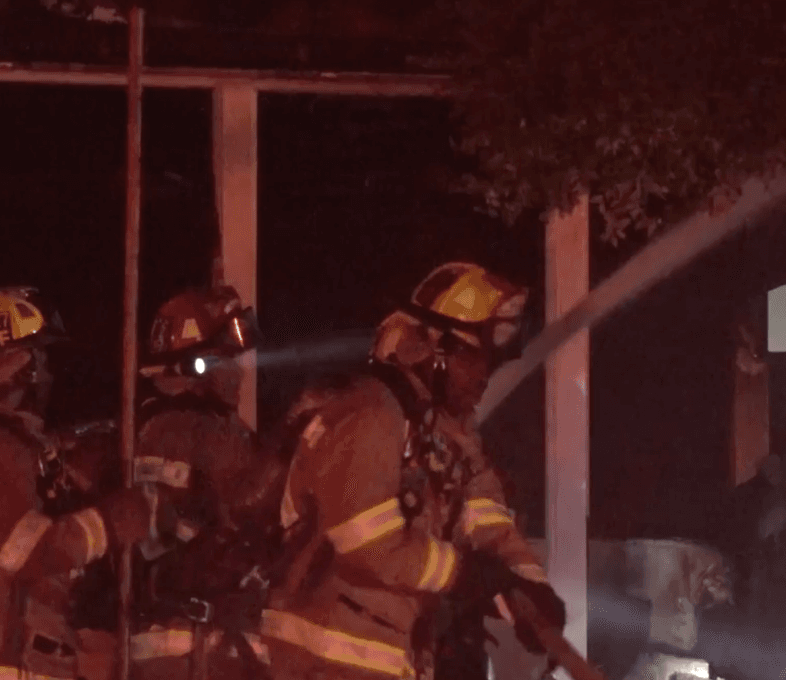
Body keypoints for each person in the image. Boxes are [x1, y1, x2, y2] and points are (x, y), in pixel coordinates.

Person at [259, 262, 567, 680]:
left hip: (383, 658)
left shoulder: (446, 435)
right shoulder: (371, 413)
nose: (483, 375)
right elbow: (367, 543)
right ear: (431, 350)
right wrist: (462, 572)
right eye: (472, 358)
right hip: (323, 656)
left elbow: (486, 516)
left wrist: (530, 585)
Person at [0, 286, 151, 680]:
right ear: (19, 364)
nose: (48, 373)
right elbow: (31, 552)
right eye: (41, 359)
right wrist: (110, 522)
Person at [128, 286, 283, 680]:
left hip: (220, 646)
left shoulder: (209, 428)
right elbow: (157, 548)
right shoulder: (174, 430)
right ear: (197, 364)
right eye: (228, 357)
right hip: (187, 650)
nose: (239, 370)